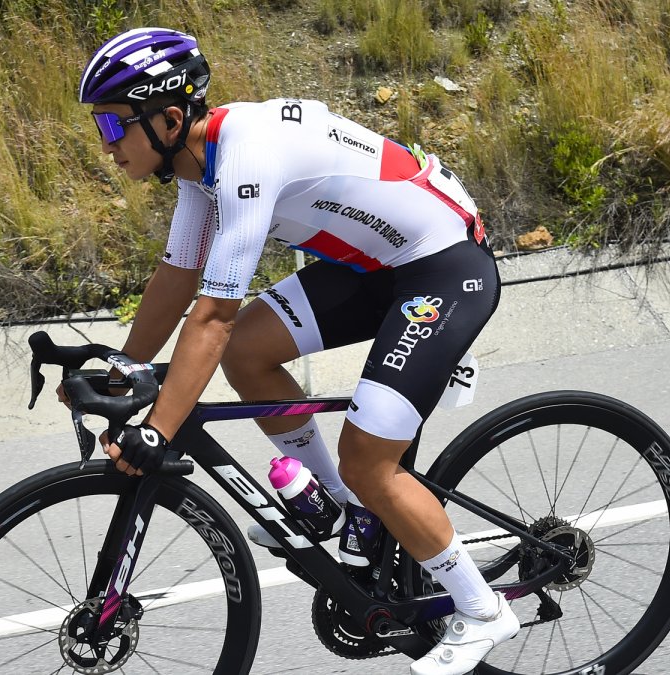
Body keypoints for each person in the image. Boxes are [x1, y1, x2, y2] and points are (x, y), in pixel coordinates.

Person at [70, 26, 517, 675]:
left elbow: (212, 315)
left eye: (114, 128)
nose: (107, 147)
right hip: (376, 264)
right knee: (249, 353)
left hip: (442, 265)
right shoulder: (199, 169)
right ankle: (338, 509)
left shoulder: (246, 159)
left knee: (371, 461)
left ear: (169, 119)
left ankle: (480, 609)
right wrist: (118, 373)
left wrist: (158, 429)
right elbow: (176, 280)